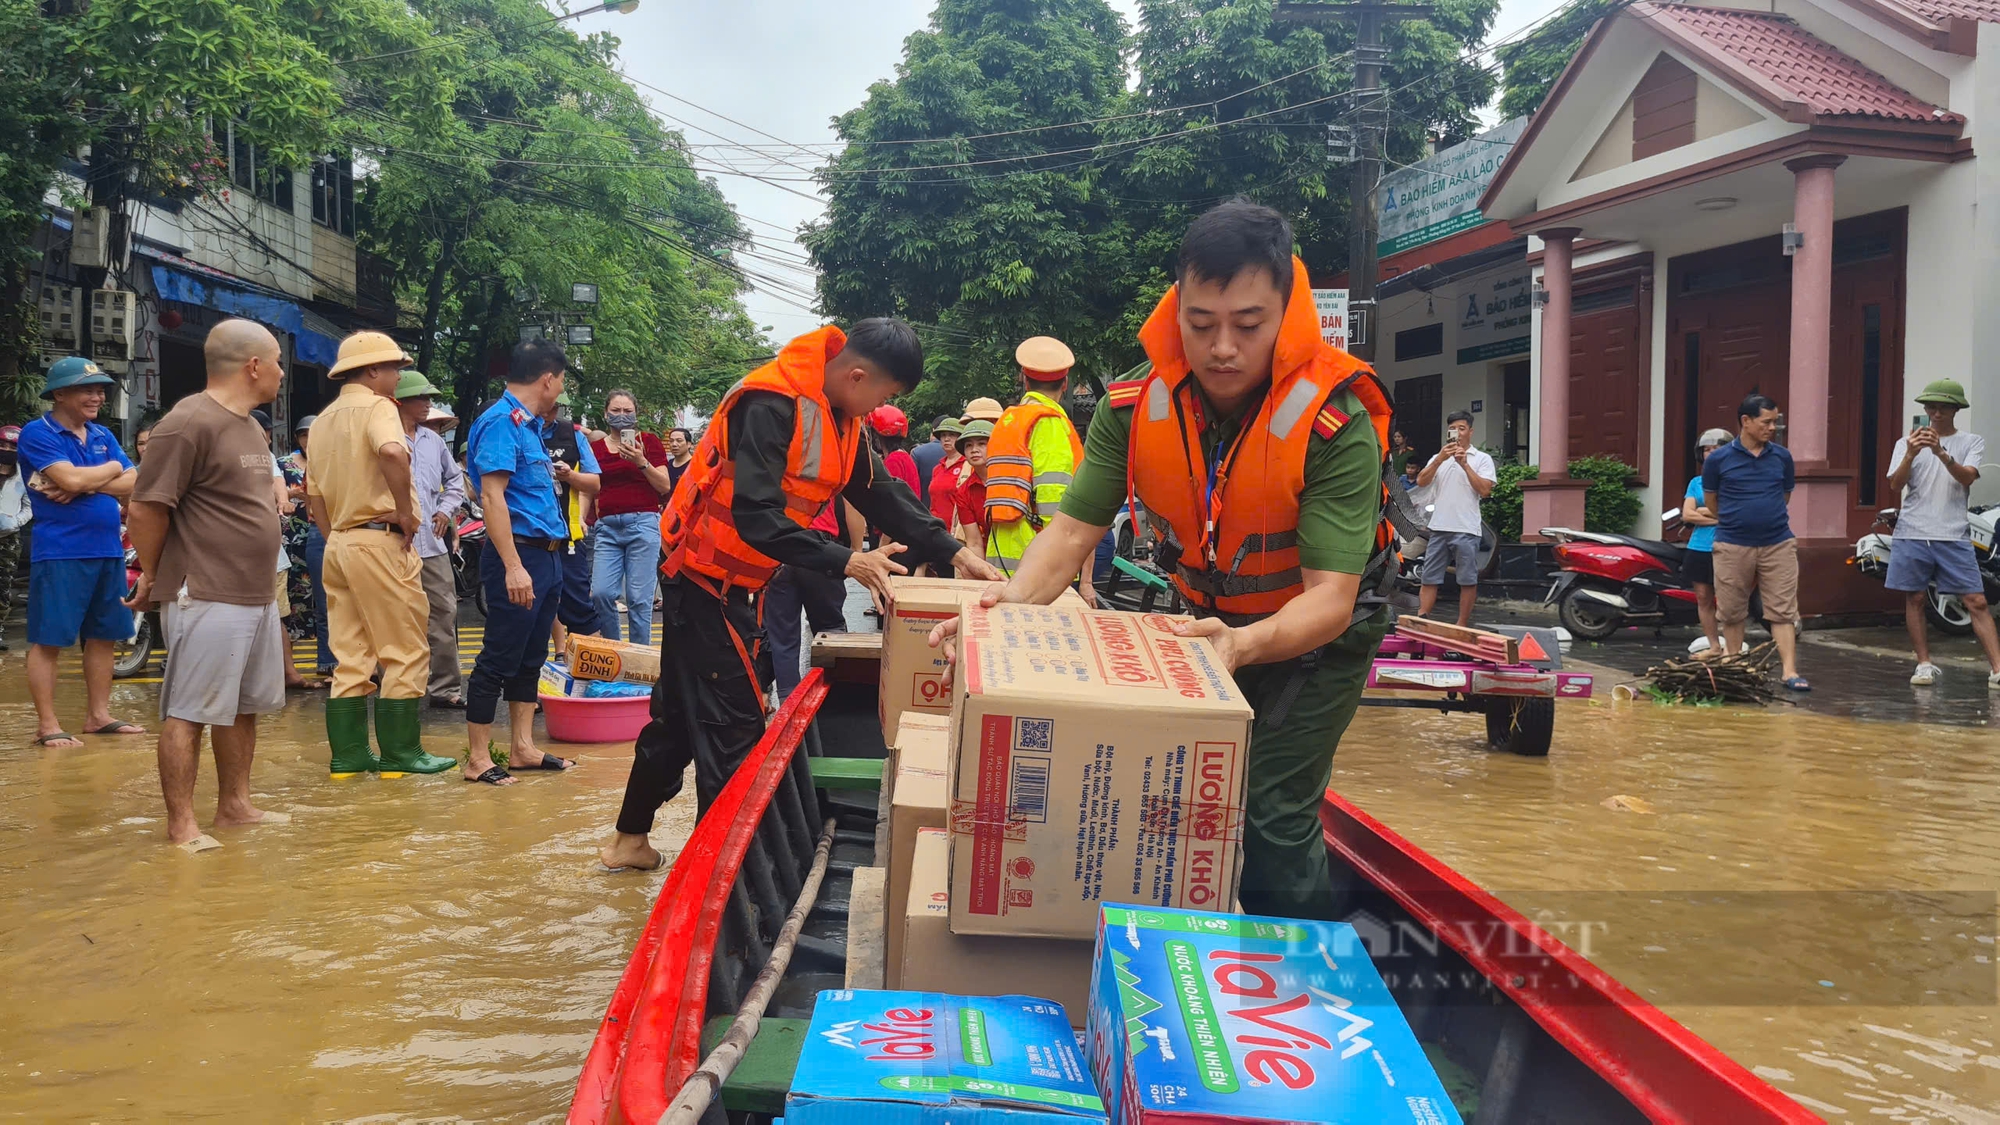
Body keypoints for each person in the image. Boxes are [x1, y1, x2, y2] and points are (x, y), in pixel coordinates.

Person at [930, 200, 1396, 921]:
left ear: (1286, 312)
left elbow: (1330, 596)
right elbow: (1069, 535)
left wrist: (1244, 642)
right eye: (1201, 323)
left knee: (1270, 810)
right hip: (1206, 624)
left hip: (1318, 637)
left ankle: (1303, 982)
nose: (1222, 348)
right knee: (1178, 797)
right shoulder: (1133, 402)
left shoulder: (1336, 421)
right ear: (1176, 307)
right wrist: (1002, 615)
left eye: (1248, 325)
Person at [596, 319, 1003, 872]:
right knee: (733, 733)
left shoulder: (842, 417)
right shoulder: (770, 403)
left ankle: (629, 843)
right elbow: (756, 517)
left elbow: (881, 493)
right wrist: (848, 560)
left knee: (681, 721)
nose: (877, 410)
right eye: (882, 395)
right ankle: (715, 879)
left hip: (737, 586)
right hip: (703, 585)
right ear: (857, 375)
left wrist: (956, 554)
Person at [126, 319, 292, 851]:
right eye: (277, 361)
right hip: (203, 590)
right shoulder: (187, 421)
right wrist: (153, 573)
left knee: (242, 706)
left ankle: (235, 806)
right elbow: (147, 507)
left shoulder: (246, 424)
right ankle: (182, 826)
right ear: (253, 366)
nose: (283, 373)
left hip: (255, 589)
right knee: (191, 709)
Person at [307, 332, 459, 778]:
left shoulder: (323, 420)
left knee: (351, 655)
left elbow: (313, 494)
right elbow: (393, 452)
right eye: (394, 367)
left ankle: (349, 758)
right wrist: (408, 514)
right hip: (380, 539)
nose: (398, 376)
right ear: (372, 370)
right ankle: (401, 754)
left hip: (340, 542)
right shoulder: (379, 409)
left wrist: (337, 535)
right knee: (406, 650)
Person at [462, 339, 580, 785]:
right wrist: (513, 566)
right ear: (548, 379)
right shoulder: (499, 423)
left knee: (532, 656)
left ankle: (522, 748)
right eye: (561, 380)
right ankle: (478, 758)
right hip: (520, 554)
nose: (560, 388)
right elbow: (491, 495)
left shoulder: (527, 426)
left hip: (547, 555)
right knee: (499, 653)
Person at [18, 356, 142, 746]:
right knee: (49, 638)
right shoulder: (38, 433)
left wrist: (84, 483)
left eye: (100, 389)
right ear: (59, 393)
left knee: (104, 635)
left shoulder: (102, 435)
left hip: (108, 549)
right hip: (61, 551)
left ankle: (98, 716)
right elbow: (71, 477)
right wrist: (106, 472)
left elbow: (136, 482)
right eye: (87, 389)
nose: (97, 396)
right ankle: (48, 725)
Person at [1886, 379, 1999, 687]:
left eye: (1941, 407)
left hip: (1953, 533)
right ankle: (1923, 664)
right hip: (1912, 530)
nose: (1934, 413)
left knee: (1976, 600)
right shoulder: (1903, 444)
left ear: (1954, 409)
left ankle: (1998, 669)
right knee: (1916, 597)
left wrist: (1941, 452)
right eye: (1929, 407)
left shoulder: (1971, 441)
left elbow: (1966, 479)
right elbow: (1895, 485)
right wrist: (1911, 453)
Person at [1700, 393, 1806, 690]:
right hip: (1733, 543)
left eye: (1775, 422)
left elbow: (1784, 496)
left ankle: (1790, 672)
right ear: (1745, 421)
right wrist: (1737, 519)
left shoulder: (1782, 457)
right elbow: (1712, 501)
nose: (1773, 428)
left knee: (1782, 609)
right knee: (1732, 610)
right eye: (1767, 422)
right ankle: (1734, 666)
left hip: (1778, 542)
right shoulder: (1719, 460)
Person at [393, 372, 469, 708]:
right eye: (421, 398)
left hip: (433, 545)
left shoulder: (433, 441)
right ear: (400, 402)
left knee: (443, 612)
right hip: (393, 542)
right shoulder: (385, 439)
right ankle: (398, 688)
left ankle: (445, 688)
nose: (427, 404)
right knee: (395, 615)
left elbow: (455, 482)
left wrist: (445, 511)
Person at [984, 337, 1083, 578]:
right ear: (1065, 384)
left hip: (1001, 550)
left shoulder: (1007, 422)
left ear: (1025, 381)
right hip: (1038, 560)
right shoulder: (1048, 423)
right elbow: (1054, 496)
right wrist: (1060, 557)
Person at [590, 389, 673, 643]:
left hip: (643, 524)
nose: (622, 416)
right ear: (606, 414)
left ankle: (638, 666)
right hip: (607, 527)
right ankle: (615, 655)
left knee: (639, 599)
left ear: (636, 415)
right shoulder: (595, 448)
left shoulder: (649, 442)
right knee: (600, 593)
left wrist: (641, 461)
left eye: (628, 411)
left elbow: (665, 486)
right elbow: (591, 487)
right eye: (616, 411)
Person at [766, 495, 863, 702]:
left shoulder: (769, 463)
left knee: (783, 639)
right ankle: (835, 700)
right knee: (831, 629)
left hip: (778, 548)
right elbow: (852, 503)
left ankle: (788, 707)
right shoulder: (828, 466)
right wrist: (856, 551)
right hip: (819, 549)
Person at [1414, 410, 1494, 627]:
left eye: (1461, 428)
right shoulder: (1439, 457)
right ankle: (1423, 618)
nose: (1457, 433)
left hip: (1466, 529)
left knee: (1467, 579)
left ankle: (1461, 624)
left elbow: (1485, 490)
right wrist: (1440, 459)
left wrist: (1464, 464)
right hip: (1438, 527)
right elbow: (1421, 482)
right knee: (1429, 577)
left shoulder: (1482, 459)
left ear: (1470, 431)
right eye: (1452, 429)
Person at [540, 390, 602, 646]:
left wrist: (569, 477)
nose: (549, 413)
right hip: (527, 538)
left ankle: (593, 675)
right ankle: (554, 658)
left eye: (556, 408)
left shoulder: (573, 436)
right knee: (533, 608)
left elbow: (595, 483)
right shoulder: (516, 432)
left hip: (569, 539)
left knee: (579, 607)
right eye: (547, 406)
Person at [251, 408, 307, 690]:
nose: (266, 439)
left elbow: (278, 483)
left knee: (278, 617)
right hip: (233, 558)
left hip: (272, 556)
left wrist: (284, 501)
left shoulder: (267, 459)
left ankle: (289, 673)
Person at [1678, 428, 1733, 656]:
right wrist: (1715, 516)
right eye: (1706, 450)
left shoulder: (1734, 480)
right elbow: (1687, 515)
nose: (1710, 453)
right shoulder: (1696, 482)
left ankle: (1733, 647)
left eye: (1716, 449)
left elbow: (1733, 512)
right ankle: (1714, 646)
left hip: (1727, 545)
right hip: (1698, 547)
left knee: (1730, 601)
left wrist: (1704, 511)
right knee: (1703, 598)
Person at [0, 424, 31, 651]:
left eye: (12, 446)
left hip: (9, 539)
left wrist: (15, 521)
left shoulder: (25, 474)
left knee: (3, 586)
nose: (6, 449)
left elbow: (30, 507)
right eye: (2, 445)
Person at [951, 419, 994, 554]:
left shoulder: (1015, 478)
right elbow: (974, 543)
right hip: (992, 559)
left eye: (981, 444)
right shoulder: (964, 492)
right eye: (969, 445)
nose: (974, 450)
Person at [910, 414, 949, 495]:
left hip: (922, 505)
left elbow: (911, 483)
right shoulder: (961, 453)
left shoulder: (917, 452)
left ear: (933, 431)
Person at [665, 426, 694, 494]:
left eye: (679, 440)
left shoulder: (694, 465)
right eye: (671, 441)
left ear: (689, 444)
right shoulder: (667, 464)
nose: (674, 444)